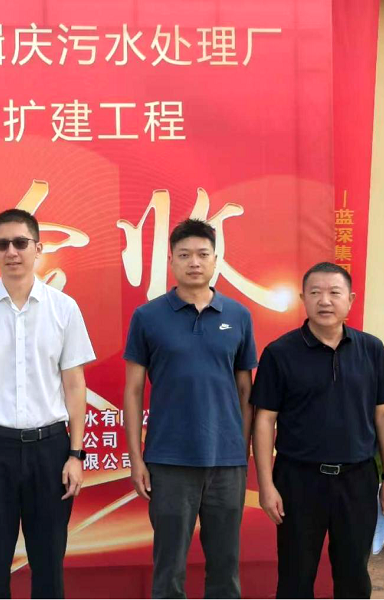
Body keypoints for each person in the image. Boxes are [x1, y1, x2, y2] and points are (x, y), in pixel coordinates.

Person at [0, 208, 95, 599]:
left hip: (51, 451)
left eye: (21, 243)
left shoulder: (64, 309)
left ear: (38, 248)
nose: (12, 252)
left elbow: (75, 384)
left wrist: (75, 454)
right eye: (2, 244)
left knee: (49, 565)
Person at [123, 218, 258, 599]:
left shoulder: (238, 316)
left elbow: (245, 390)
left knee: (225, 565)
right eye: (184, 255)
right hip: (168, 460)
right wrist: (136, 459)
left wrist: (242, 451)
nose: (194, 262)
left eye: (202, 254)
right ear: (171, 261)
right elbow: (133, 391)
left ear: (216, 260)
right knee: (169, 566)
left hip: (226, 462)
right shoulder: (148, 317)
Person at [251, 261, 384, 598]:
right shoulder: (280, 353)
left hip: (357, 479)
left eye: (334, 292)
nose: (325, 301)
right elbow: (264, 420)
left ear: (351, 299)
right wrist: (266, 485)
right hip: (298, 480)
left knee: (354, 576)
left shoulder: (372, 349)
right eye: (315, 292)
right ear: (303, 298)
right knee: (295, 576)